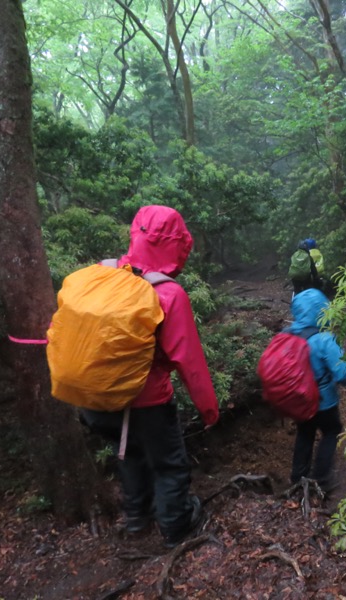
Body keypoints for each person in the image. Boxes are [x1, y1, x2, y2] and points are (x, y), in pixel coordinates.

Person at [80, 205, 219, 548]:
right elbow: (189, 361)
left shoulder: (99, 274)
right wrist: (209, 409)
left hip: (94, 399)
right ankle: (175, 532)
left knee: (128, 453)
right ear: (177, 245)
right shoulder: (168, 293)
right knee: (170, 465)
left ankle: (137, 520)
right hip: (147, 403)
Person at [287, 288, 346, 492]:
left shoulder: (289, 335)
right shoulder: (323, 339)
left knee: (305, 433)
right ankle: (321, 480)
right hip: (323, 401)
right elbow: (343, 372)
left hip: (298, 399)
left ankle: (298, 477)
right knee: (331, 430)